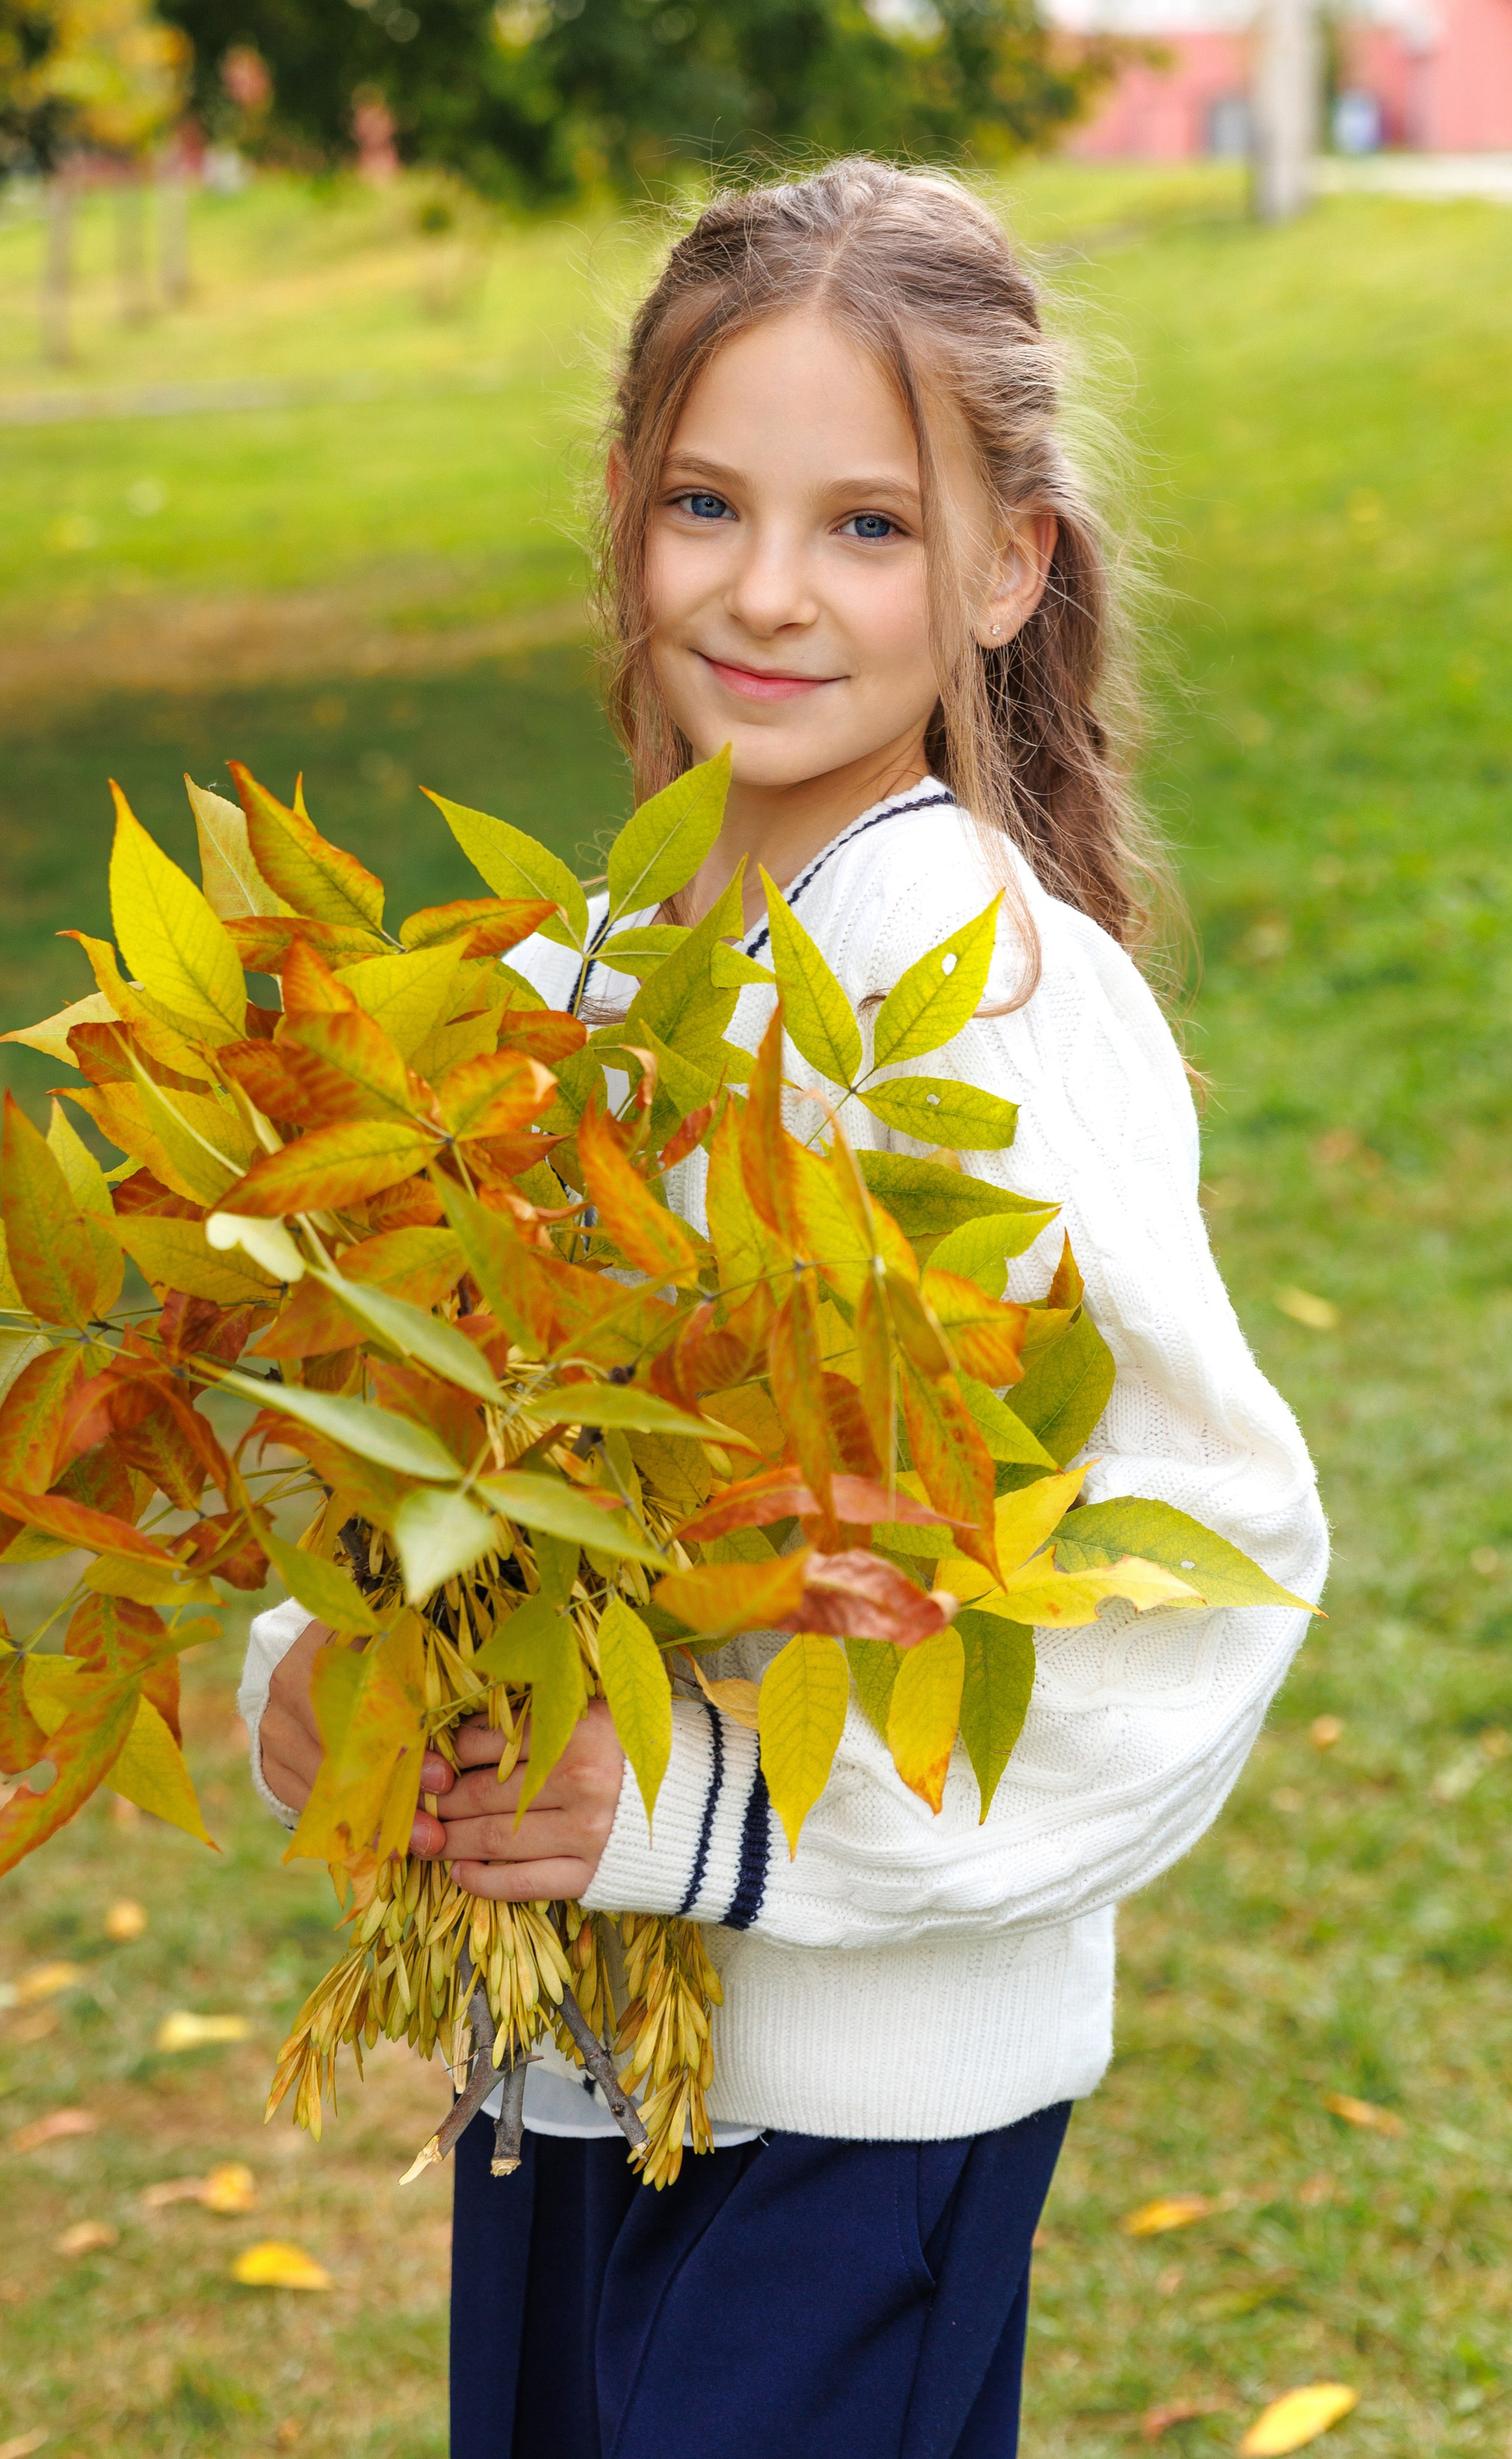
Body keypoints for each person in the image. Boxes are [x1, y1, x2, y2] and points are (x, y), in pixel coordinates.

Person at [238, 159, 1328, 2459]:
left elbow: (1190, 1579)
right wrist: (344, 1696)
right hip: (571, 2068)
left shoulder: (990, 1002)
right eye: (709, 502)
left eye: (867, 526)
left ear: (1009, 568)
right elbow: (401, 1472)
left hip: (858, 2110)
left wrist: (711, 1813)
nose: (763, 591)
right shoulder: (564, 986)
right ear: (628, 513)